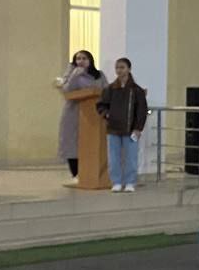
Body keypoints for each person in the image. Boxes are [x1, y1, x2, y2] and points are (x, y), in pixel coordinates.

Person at [96, 58, 147, 193]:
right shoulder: (110, 89)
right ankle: (116, 182)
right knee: (114, 157)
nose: (119, 70)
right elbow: (101, 105)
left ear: (129, 69)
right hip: (113, 129)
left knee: (131, 157)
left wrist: (138, 128)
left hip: (131, 129)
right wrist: (107, 114)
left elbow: (141, 111)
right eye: (117, 67)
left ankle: (130, 182)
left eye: (122, 67)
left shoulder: (136, 91)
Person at [55, 50, 107, 177]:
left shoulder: (99, 75)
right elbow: (67, 90)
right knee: (72, 145)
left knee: (92, 144)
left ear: (90, 61)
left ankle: (92, 174)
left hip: (94, 114)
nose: (81, 61)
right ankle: (76, 174)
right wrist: (74, 76)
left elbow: (106, 90)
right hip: (73, 113)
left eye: (84, 58)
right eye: (78, 59)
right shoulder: (72, 73)